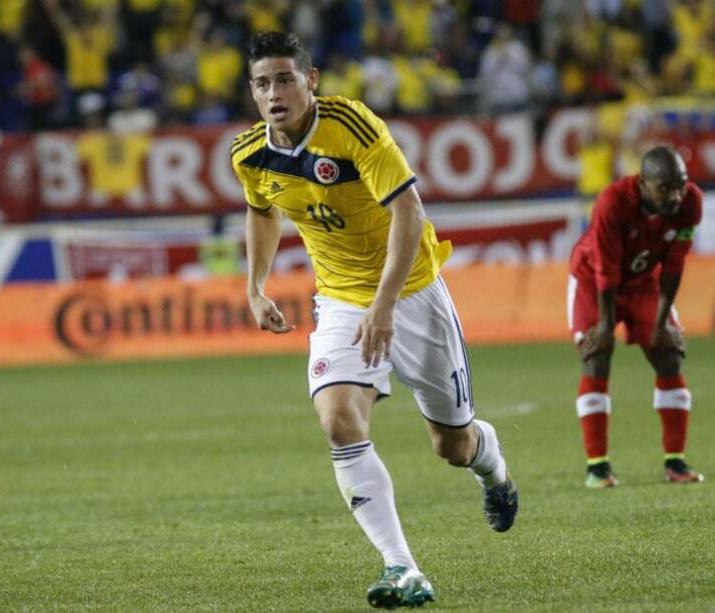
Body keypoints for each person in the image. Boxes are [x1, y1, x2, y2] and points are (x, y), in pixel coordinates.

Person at [230, 32, 518, 609]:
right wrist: (255, 286)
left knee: (452, 446)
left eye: (284, 79)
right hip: (339, 301)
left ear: (310, 81)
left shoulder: (353, 126)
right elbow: (261, 211)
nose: (273, 92)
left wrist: (385, 305)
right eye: (262, 83)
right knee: (338, 420)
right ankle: (402, 567)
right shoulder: (247, 153)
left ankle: (495, 472)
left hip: (412, 292)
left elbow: (409, 211)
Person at [567, 146, 704, 489]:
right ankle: (597, 467)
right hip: (592, 280)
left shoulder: (690, 203)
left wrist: (660, 325)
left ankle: (676, 462)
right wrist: (604, 326)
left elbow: (674, 264)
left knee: (669, 355)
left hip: (644, 283)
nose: (675, 196)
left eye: (681, 186)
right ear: (644, 183)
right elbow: (606, 271)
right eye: (665, 188)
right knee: (597, 358)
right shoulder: (613, 202)